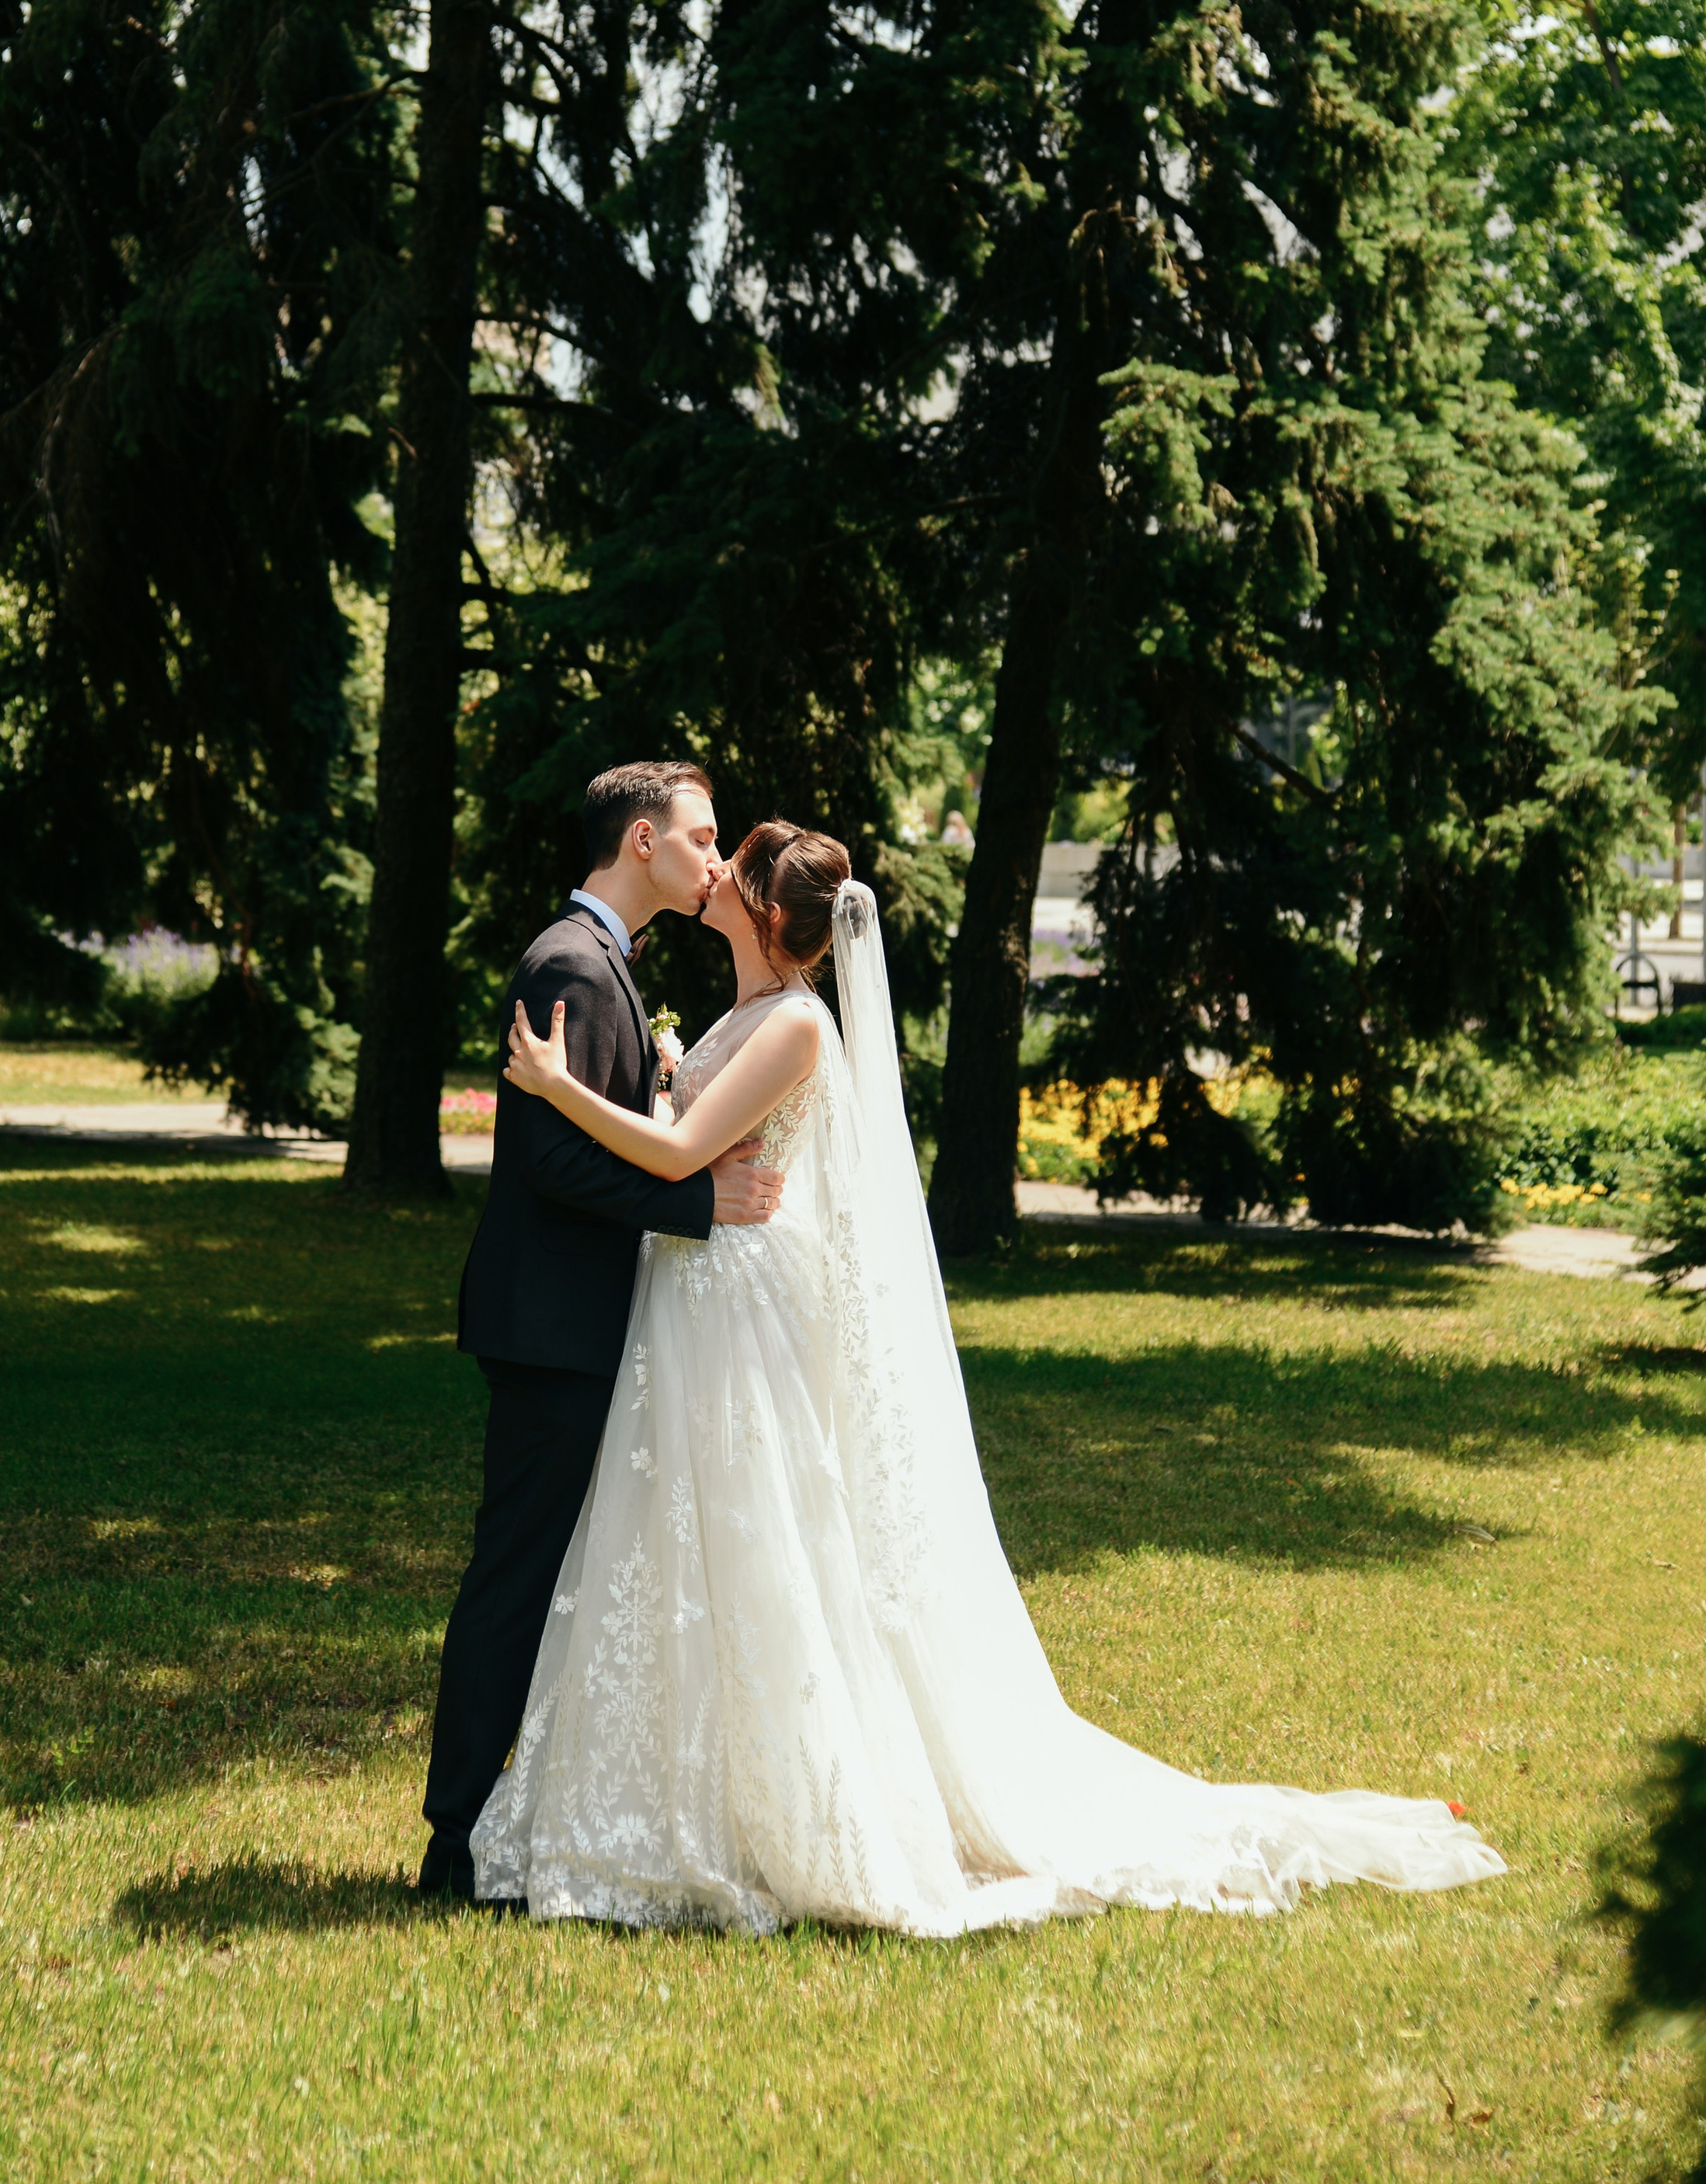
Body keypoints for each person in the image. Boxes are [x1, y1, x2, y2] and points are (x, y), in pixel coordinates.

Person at [471, 821, 1507, 1935]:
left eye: (741, 862)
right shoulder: (739, 1016)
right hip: (699, 1291)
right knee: (686, 1541)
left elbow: (676, 1160)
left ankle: (796, 1809)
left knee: (759, 1528)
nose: (717, 869)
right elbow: (691, 1140)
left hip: (742, 1302)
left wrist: (552, 1085)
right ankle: (686, 1799)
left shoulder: (797, 1028)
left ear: (773, 916)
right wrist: (674, 1080)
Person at [415, 761, 785, 1901]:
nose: (714, 860)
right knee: (516, 1579)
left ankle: (515, 1821)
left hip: (578, 1320)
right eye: (701, 837)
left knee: (559, 1578)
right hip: (549, 1325)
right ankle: (454, 1841)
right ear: (641, 842)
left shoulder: (606, 966)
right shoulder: (570, 962)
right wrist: (693, 1199)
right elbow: (549, 1157)